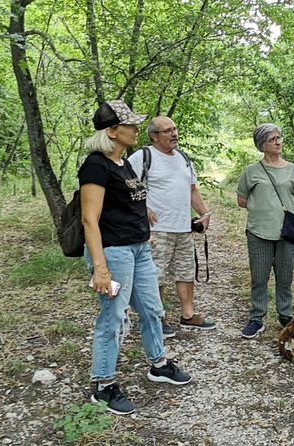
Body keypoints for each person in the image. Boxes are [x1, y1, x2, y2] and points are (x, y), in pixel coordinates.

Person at [79, 100, 192, 415]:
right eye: (129, 125)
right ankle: (103, 385)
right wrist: (100, 269)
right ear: (112, 131)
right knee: (114, 316)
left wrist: (143, 229)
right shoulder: (95, 166)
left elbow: (131, 203)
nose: (135, 129)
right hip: (114, 254)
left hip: (140, 249)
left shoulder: (122, 163)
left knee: (153, 310)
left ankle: (158, 364)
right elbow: (90, 219)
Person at [128, 116, 215, 337]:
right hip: (156, 230)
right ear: (154, 136)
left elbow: (192, 190)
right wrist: (142, 208)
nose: (174, 133)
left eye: (175, 129)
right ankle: (157, 318)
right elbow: (125, 187)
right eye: (167, 131)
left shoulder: (183, 158)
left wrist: (203, 213)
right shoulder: (143, 157)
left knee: (186, 272)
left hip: (183, 228)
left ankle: (188, 316)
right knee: (156, 275)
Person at [237, 124, 294, 338]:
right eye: (272, 139)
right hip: (258, 231)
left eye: (279, 137)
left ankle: (285, 314)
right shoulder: (251, 171)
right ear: (261, 145)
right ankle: (257, 318)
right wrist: (263, 211)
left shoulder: (292, 169)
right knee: (259, 277)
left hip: (288, 231)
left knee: (285, 276)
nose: (278, 142)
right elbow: (242, 199)